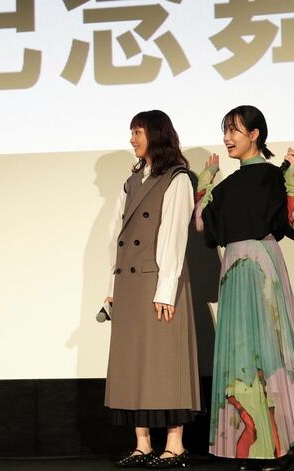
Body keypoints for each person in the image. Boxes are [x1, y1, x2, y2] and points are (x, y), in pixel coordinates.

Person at [195, 105, 294, 471]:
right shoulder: (227, 186)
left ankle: (286, 443)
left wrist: (293, 180)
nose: (227, 138)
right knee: (241, 355)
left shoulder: (273, 177)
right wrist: (205, 182)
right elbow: (204, 227)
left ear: (255, 135)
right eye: (225, 131)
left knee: (272, 353)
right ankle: (256, 446)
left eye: (234, 130)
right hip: (233, 269)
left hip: (262, 268)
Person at [104, 110, 201, 469]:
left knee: (165, 362)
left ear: (157, 135)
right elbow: (116, 237)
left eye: (138, 132)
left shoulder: (177, 177)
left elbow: (174, 235)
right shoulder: (131, 181)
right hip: (129, 284)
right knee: (133, 364)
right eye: (131, 132)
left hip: (159, 281)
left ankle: (175, 444)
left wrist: (166, 289)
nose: (132, 139)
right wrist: (111, 286)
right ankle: (142, 444)